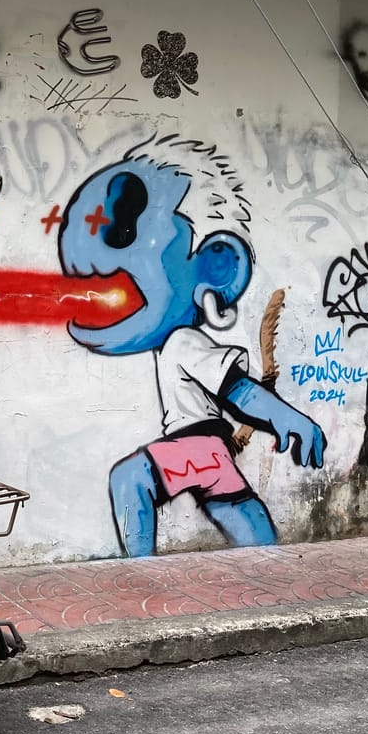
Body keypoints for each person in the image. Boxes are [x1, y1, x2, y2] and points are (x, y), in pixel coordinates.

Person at [58, 135, 324, 556]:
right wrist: (286, 419)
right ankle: (272, 566)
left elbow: (237, 390)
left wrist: (288, 418)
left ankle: (137, 573)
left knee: (129, 479)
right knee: (239, 511)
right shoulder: (173, 343)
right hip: (207, 452)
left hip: (197, 442)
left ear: (211, 269)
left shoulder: (183, 340)